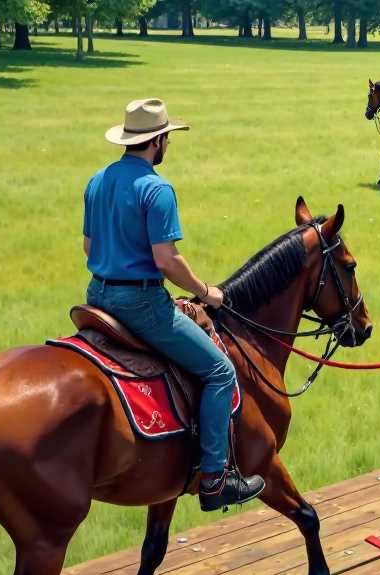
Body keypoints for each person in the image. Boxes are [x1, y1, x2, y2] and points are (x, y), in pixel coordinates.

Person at [83, 98, 265, 511]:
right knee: (220, 370)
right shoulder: (156, 188)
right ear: (159, 141)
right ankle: (216, 479)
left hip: (97, 295)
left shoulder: (97, 181)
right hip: (141, 303)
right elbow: (167, 261)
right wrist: (206, 292)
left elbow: (88, 246)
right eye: (167, 139)